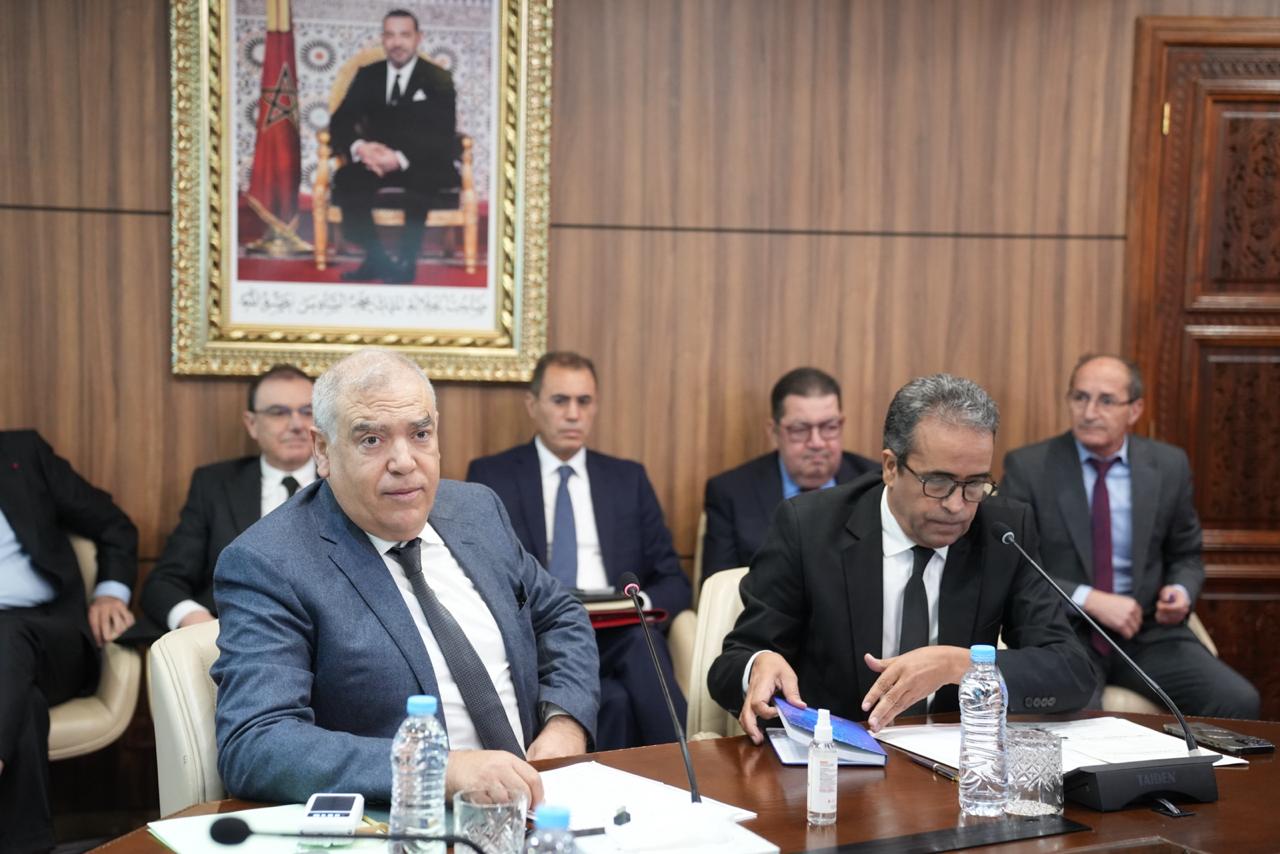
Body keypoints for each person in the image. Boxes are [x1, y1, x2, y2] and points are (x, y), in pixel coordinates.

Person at [211, 349, 598, 805]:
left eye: (420, 434)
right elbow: (257, 743)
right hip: (412, 821)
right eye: (371, 440)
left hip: (542, 802)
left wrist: (565, 723)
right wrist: (438, 770)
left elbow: (560, 617)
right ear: (323, 450)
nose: (404, 461)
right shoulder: (270, 562)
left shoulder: (476, 511)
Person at [708, 374, 1095, 743]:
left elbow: (1072, 672)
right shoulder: (808, 527)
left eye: (975, 483)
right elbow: (733, 663)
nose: (957, 506)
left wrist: (960, 665)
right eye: (938, 482)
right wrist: (758, 664)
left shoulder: (1004, 532)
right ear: (891, 467)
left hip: (952, 765)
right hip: (835, 758)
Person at [1000, 354, 1259, 718]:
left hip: (1147, 632)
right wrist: (1089, 599)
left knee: (1238, 700)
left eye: (1106, 400)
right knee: (1078, 719)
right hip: (1067, 631)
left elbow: (1186, 554)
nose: (1089, 412)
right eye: (1080, 397)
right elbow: (1015, 563)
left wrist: (1180, 591)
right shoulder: (1029, 467)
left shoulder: (1168, 466)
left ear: (1134, 409)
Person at [466, 351, 692, 750]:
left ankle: (683, 759)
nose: (573, 414)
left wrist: (636, 606)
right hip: (542, 633)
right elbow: (480, 573)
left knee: (642, 639)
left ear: (595, 406)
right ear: (533, 405)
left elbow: (673, 579)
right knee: (616, 700)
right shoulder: (492, 475)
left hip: (617, 632)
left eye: (584, 401)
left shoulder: (627, 478)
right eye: (560, 401)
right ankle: (688, 766)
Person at [0, 430, 138, 854]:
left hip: (47, 635)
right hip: (14, 675)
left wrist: (110, 593)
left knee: (6, 633)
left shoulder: (22, 454)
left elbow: (113, 525)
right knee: (24, 703)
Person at [133, 365, 315, 642]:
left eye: (307, 411)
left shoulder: (346, 485)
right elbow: (164, 584)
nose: (297, 424)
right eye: (278, 412)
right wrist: (202, 627)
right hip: (232, 640)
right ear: (251, 424)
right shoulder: (214, 486)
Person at [702, 367, 878, 576]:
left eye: (829, 427)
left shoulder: (876, 484)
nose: (816, 442)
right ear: (774, 432)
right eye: (800, 429)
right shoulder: (731, 493)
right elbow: (719, 587)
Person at [329, 9, 460, 284]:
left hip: (421, 162)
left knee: (423, 181)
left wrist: (398, 158)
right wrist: (361, 148)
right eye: (390, 35)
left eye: (404, 35)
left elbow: (442, 133)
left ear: (418, 38)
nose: (397, 42)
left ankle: (406, 261)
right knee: (346, 178)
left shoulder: (438, 78)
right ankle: (376, 258)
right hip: (374, 161)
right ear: (382, 39)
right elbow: (340, 121)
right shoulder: (368, 75)